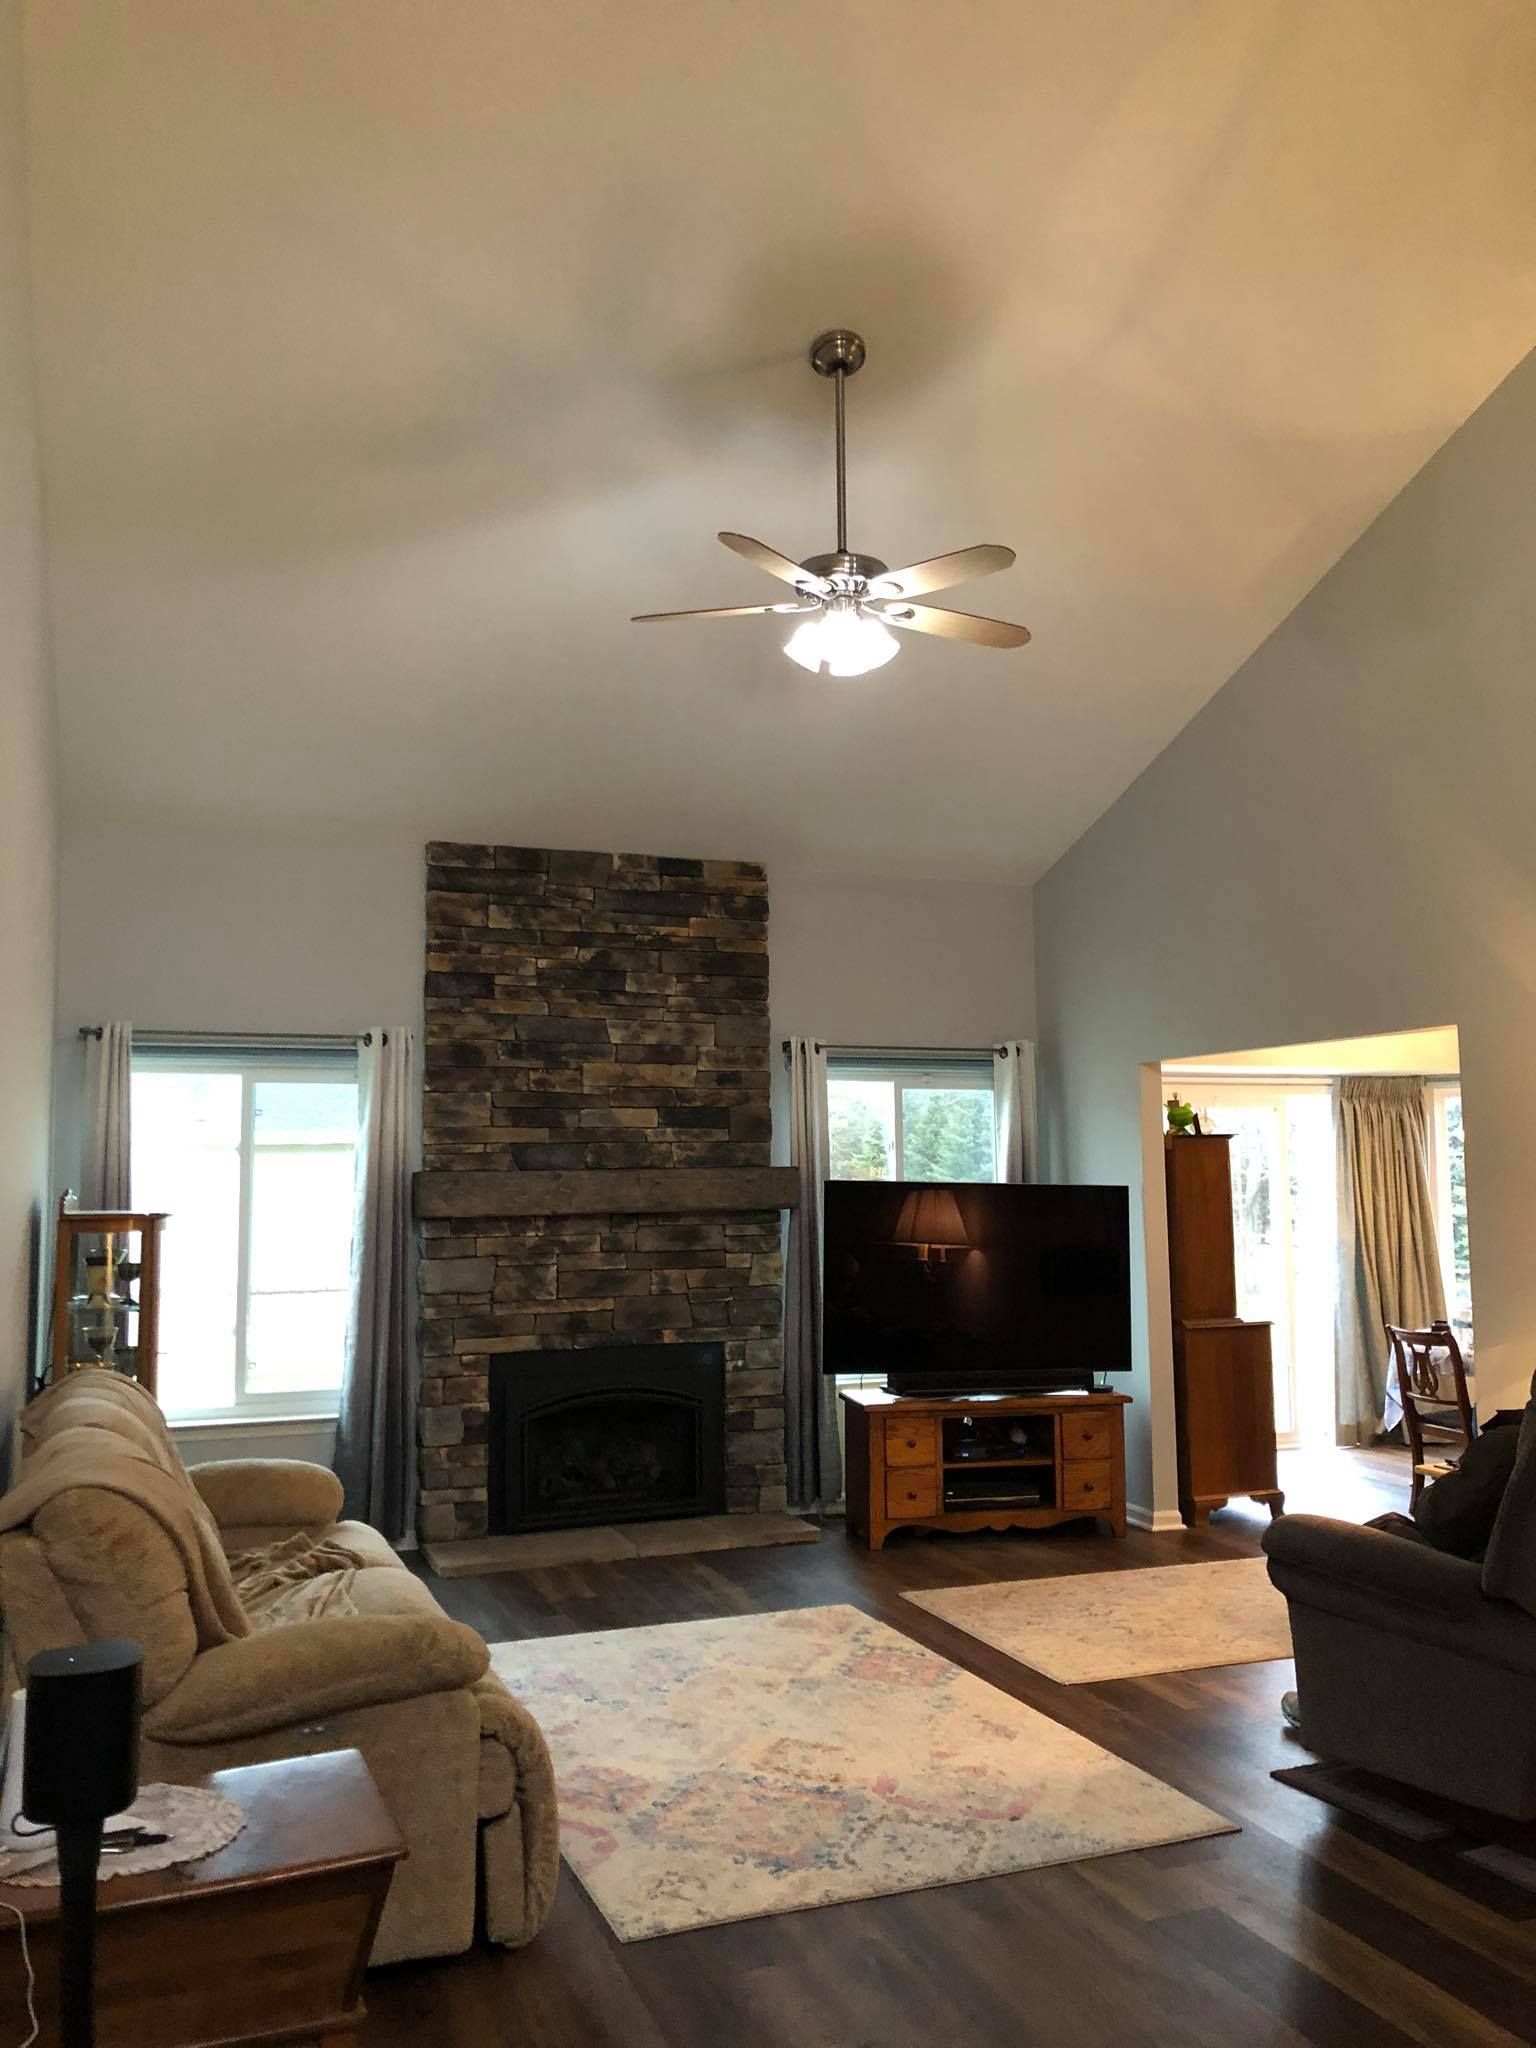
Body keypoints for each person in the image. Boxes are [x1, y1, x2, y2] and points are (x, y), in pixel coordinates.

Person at [1280, 1373, 1536, 1729]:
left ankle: (1326, 1701)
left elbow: (1438, 1519)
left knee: (1377, 1537)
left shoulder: (1511, 1446)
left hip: (1492, 1607)